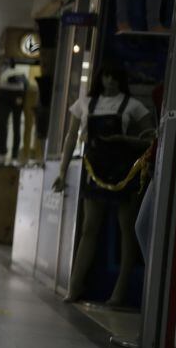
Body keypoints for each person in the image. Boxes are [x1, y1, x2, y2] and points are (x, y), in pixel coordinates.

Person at [53, 62, 152, 305]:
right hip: (94, 169)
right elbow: (70, 138)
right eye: (107, 76)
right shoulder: (84, 104)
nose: (110, 82)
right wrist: (62, 171)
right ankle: (75, 285)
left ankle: (119, 292)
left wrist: (125, 140)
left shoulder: (133, 105)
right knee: (89, 229)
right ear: (101, 78)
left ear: (121, 81)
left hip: (123, 172)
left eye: (115, 77)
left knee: (127, 232)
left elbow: (151, 138)